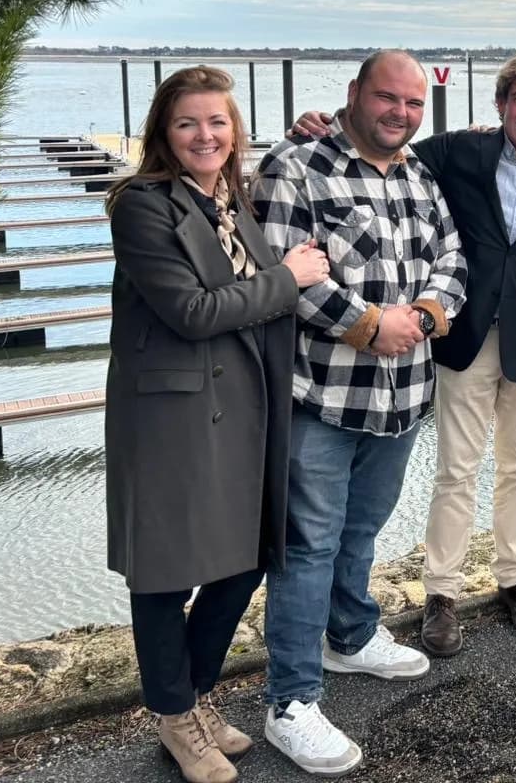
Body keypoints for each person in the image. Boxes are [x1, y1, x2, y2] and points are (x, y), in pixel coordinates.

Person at [289, 51, 516, 654]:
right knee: (456, 469)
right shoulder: (458, 152)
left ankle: (515, 578)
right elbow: (376, 151)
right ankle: (442, 593)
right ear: (501, 104)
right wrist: (318, 125)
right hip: (464, 334)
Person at [106, 66, 330, 783]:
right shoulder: (142, 207)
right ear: (163, 135)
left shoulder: (234, 199)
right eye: (187, 123)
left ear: (235, 130)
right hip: (171, 415)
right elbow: (194, 312)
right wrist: (288, 278)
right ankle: (175, 717)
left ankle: (192, 696)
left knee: (246, 557)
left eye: (217, 122)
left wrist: (311, 135)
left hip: (243, 409)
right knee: (167, 574)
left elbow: (244, 282)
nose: (205, 135)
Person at [252, 51, 467, 776]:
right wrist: (367, 324)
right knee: (307, 542)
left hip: (403, 394)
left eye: (412, 104)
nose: (400, 113)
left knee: (362, 528)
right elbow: (279, 270)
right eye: (387, 98)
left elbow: (452, 257)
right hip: (321, 392)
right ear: (353, 94)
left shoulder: (418, 174)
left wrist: (431, 313)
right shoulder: (296, 165)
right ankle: (290, 699)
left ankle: (349, 634)